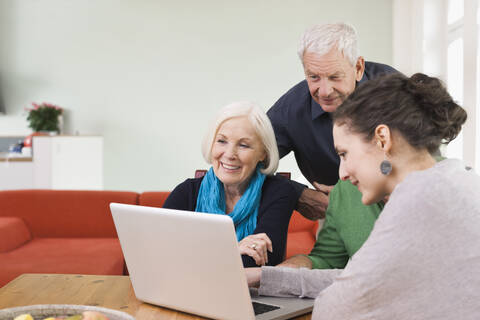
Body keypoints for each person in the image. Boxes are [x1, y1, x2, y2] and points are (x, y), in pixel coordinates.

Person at [247, 72, 480, 319]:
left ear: (383, 139)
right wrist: (265, 277)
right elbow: (366, 278)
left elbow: (334, 311)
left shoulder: (418, 198)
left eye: (344, 154)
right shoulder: (456, 179)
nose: (342, 173)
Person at [267, 22, 397, 220]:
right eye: (314, 77)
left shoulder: (395, 90)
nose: (325, 91)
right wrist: (298, 194)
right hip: (337, 217)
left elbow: (426, 155)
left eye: (335, 77)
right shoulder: (290, 111)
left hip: (401, 207)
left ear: (358, 68)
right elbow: (245, 165)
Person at [163, 101, 297, 268]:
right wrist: (234, 249)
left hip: (252, 294)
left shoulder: (279, 192)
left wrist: (196, 254)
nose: (229, 154)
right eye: (222, 141)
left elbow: (259, 260)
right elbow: (161, 253)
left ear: (263, 153)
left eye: (243, 145)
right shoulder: (187, 192)